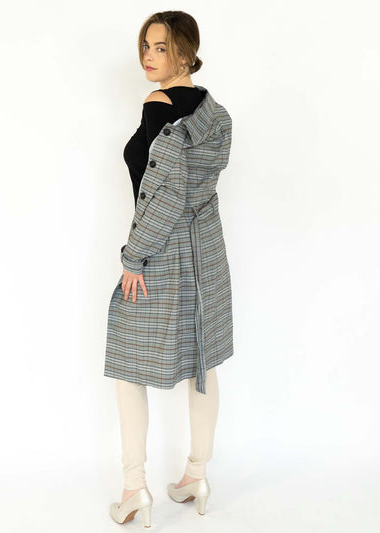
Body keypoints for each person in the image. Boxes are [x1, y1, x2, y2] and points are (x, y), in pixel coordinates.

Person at [104, 10, 234, 527]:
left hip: (160, 251)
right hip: (207, 253)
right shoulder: (217, 115)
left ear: (186, 52)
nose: (149, 56)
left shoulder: (159, 105)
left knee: (127, 366)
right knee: (203, 360)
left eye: (161, 47)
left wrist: (134, 256)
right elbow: (193, 187)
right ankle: (195, 476)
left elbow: (164, 193)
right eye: (146, 46)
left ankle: (133, 488)